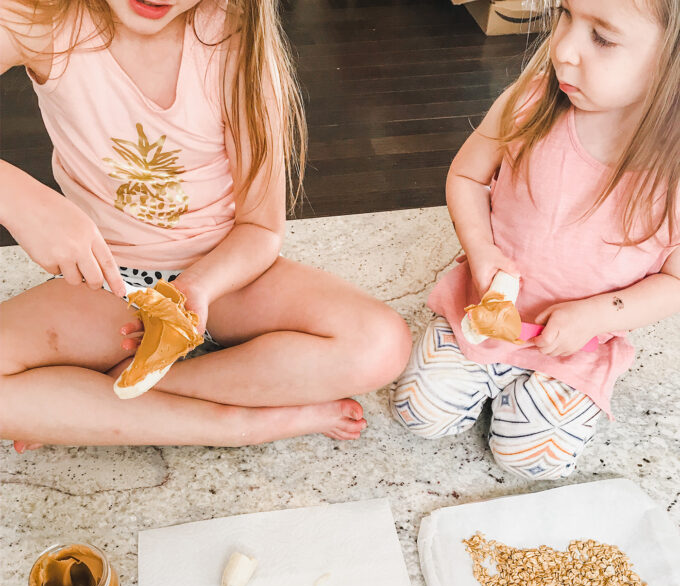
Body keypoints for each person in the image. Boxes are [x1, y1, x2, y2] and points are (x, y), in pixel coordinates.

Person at [0, 0, 412, 451]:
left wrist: (199, 288)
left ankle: (106, 397)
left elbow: (261, 229)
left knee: (380, 345)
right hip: (110, 279)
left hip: (224, 276)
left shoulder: (235, 41)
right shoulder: (42, 21)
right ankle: (236, 426)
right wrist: (16, 195)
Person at [392, 0, 679, 480]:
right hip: (480, 309)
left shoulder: (671, 175)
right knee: (419, 414)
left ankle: (530, 395)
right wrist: (481, 252)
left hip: (577, 345)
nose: (562, 49)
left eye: (602, 38)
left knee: (530, 461)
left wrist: (592, 315)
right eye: (565, 14)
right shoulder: (530, 100)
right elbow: (466, 176)